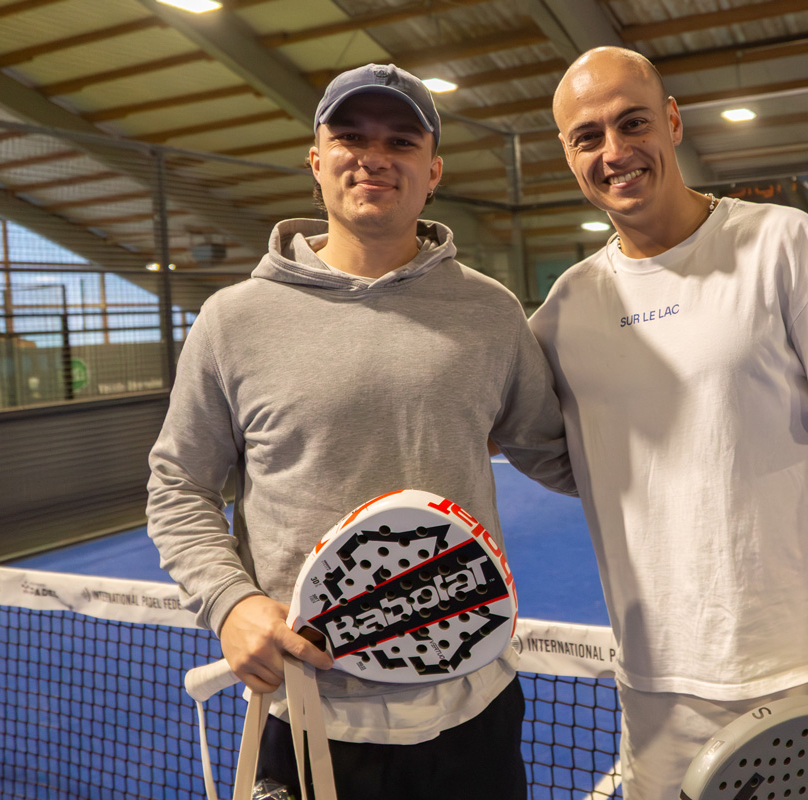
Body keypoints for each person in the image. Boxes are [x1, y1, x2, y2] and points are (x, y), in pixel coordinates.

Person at [529, 47, 808, 799]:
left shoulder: (787, 245)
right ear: (567, 153)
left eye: (632, 124)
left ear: (672, 121)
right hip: (659, 688)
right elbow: (562, 451)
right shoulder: (565, 308)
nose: (614, 151)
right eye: (587, 137)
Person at [146, 63, 573, 799]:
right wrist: (231, 602)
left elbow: (559, 452)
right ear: (316, 161)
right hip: (309, 714)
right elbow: (177, 483)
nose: (374, 157)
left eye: (401, 141)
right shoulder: (233, 320)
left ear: (433, 171)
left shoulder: (491, 312)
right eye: (350, 137)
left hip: (474, 708)